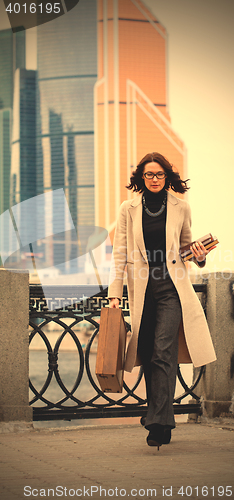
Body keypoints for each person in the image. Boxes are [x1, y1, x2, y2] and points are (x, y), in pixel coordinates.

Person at [108, 152, 216, 449]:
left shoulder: (181, 207)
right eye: (149, 175)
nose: (154, 180)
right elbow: (120, 253)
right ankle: (156, 411)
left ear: (167, 176)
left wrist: (200, 255)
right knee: (146, 352)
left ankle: (160, 422)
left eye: (159, 175)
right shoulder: (127, 209)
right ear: (140, 178)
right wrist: (115, 293)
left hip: (172, 288)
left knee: (163, 353)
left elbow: (186, 248)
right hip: (142, 290)